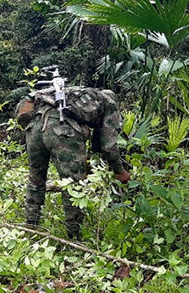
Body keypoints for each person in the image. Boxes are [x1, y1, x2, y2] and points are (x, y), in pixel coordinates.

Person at [16, 85, 131, 238]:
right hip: (61, 129)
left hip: (35, 127)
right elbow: (109, 146)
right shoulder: (109, 103)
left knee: (36, 180)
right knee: (73, 184)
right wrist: (119, 171)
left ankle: (31, 227)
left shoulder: (71, 94)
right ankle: (74, 236)